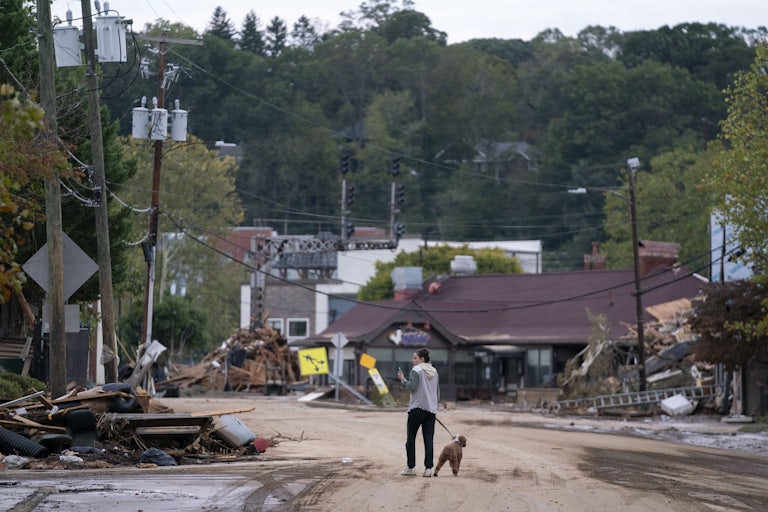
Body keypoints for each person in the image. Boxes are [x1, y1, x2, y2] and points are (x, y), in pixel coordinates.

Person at [397, 348, 439, 477]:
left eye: (415, 358)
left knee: (411, 439)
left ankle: (411, 467)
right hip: (431, 410)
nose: (412, 360)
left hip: (416, 409)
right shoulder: (434, 371)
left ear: (421, 359)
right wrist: (433, 406)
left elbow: (411, 386)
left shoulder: (417, 370)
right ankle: (428, 469)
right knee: (429, 440)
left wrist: (402, 379)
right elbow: (436, 392)